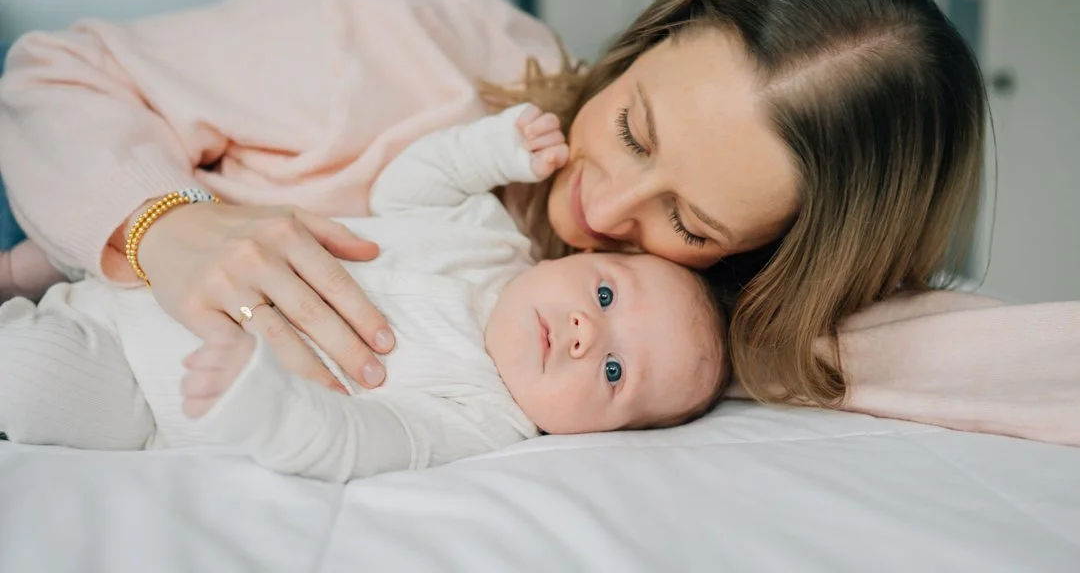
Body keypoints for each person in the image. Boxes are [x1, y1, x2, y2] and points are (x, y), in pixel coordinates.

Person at [0, 0, 1003, 414]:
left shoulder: (684, 335)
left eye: (691, 223)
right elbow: (54, 72)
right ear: (645, 42)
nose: (604, 209)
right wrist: (164, 224)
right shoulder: (413, 49)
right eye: (633, 129)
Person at [0, 104, 728, 482]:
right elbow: (407, 188)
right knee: (64, 247)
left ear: (604, 436)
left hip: (137, 383)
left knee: (26, 381)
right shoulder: (493, 240)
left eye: (613, 371)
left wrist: (265, 402)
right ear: (588, 255)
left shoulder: (483, 419)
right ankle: (32, 275)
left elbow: (357, 440)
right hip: (156, 261)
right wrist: (493, 150)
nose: (584, 333)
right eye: (605, 297)